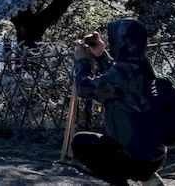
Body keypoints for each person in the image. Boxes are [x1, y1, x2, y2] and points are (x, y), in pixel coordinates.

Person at [71, 18, 166, 186]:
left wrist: (82, 62)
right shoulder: (143, 67)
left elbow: (85, 88)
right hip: (155, 155)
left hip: (132, 157)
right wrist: (101, 54)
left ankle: (127, 181)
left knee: (81, 143)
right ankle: (148, 177)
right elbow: (117, 80)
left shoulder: (121, 73)